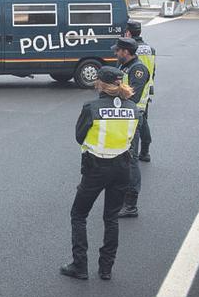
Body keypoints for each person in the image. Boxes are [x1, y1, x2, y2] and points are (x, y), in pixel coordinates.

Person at [60, 66, 139, 281]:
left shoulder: (91, 107)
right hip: (122, 167)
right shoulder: (133, 108)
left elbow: (80, 136)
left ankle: (80, 265)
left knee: (79, 214)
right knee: (111, 218)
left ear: (100, 84)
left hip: (96, 168)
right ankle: (106, 268)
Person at [113, 37, 150, 218]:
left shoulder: (138, 70)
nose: (115, 53)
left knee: (132, 160)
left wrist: (114, 92)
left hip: (134, 117)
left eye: (118, 50)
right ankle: (122, 197)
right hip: (124, 117)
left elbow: (133, 97)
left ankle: (131, 205)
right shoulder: (124, 66)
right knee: (123, 158)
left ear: (126, 52)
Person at [126, 20, 156, 162]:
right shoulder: (151, 49)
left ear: (129, 33)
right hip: (147, 89)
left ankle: (134, 154)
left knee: (136, 124)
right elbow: (153, 71)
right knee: (143, 121)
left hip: (133, 90)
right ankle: (145, 151)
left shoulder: (128, 50)